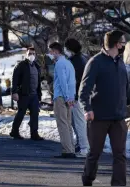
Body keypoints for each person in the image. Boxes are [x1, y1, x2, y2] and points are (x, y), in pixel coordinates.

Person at [79, 30, 128, 186]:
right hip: (98, 117)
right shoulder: (95, 62)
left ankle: (118, 184)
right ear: (116, 43)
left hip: (118, 118)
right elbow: (84, 90)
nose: (124, 44)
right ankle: (87, 179)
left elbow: (125, 88)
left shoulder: (120, 63)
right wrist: (87, 109)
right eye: (123, 41)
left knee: (119, 154)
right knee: (94, 153)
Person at [49, 42, 76, 158]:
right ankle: (71, 149)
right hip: (69, 97)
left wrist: (66, 97)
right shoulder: (69, 63)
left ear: (55, 51)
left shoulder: (59, 64)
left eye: (51, 51)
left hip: (61, 97)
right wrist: (71, 96)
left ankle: (67, 150)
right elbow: (72, 82)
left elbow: (62, 81)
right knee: (68, 124)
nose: (50, 54)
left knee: (62, 124)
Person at [10, 47, 43, 140]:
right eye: (30, 54)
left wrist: (39, 94)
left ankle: (34, 133)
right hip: (23, 94)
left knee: (35, 114)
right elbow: (15, 79)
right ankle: (14, 131)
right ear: (26, 54)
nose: (31, 55)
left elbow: (38, 81)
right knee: (21, 113)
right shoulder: (21, 65)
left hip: (34, 95)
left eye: (33, 54)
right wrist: (14, 92)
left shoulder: (37, 66)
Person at [64, 38, 89, 157]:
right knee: (77, 122)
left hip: (77, 96)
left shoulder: (75, 61)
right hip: (80, 95)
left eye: (66, 48)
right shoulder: (82, 58)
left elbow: (75, 80)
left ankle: (84, 148)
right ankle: (81, 144)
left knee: (79, 123)